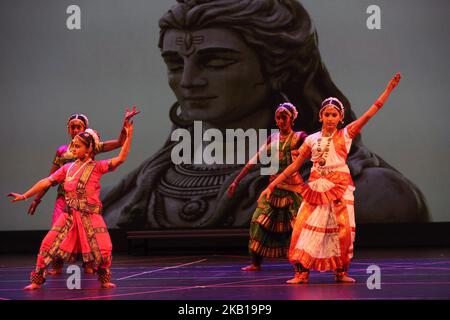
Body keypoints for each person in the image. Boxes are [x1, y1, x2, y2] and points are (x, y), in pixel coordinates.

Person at [102, 0, 428, 231]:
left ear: (277, 69)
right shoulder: (120, 202)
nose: (188, 81)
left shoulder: (370, 194)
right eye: (175, 64)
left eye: (216, 62)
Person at [259, 73, 402, 284]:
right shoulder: (311, 140)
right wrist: (272, 184)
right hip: (316, 187)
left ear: (340, 118)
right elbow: (294, 166)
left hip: (340, 188)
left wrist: (388, 90)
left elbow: (371, 113)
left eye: (334, 114)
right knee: (305, 228)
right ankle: (302, 272)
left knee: (341, 230)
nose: (330, 118)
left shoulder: (346, 135)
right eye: (327, 114)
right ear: (321, 116)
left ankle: (341, 272)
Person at [8, 114, 136, 290]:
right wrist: (25, 195)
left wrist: (128, 136)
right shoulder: (67, 168)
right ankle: (37, 280)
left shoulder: (97, 167)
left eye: (77, 146)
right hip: (68, 215)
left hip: (90, 216)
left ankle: (104, 278)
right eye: (73, 145)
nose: (73, 149)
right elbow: (47, 181)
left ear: (89, 148)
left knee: (104, 248)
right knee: (48, 244)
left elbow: (120, 158)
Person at [227, 103, 307, 271]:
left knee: (297, 227)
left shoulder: (300, 137)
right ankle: (256, 262)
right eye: (278, 118)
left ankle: (300, 264)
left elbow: (316, 152)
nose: (280, 121)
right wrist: (236, 181)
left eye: (284, 117)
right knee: (258, 221)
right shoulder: (273, 138)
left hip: (293, 189)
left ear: (291, 118)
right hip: (274, 188)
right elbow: (254, 160)